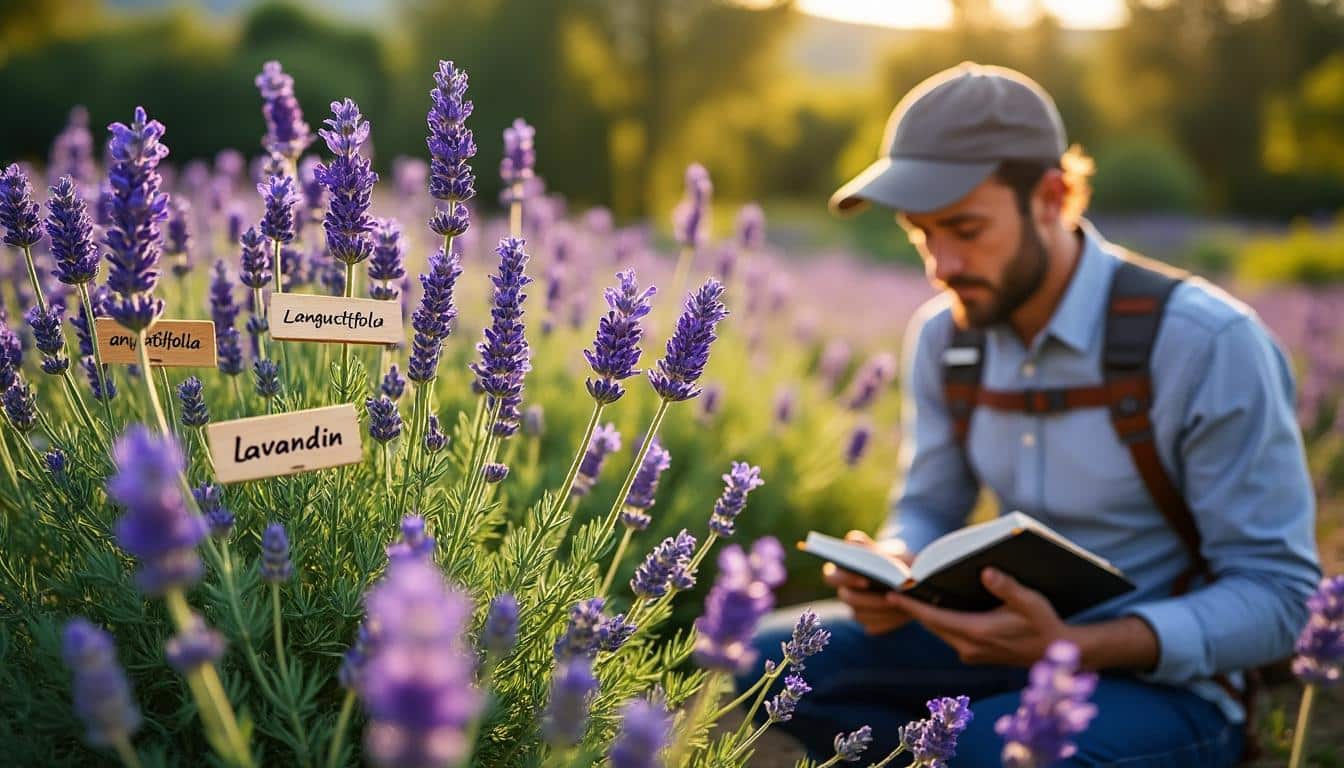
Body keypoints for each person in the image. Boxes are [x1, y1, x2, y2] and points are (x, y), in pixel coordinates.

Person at [740, 62, 1321, 766]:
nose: (940, 264)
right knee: (754, 663)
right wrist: (892, 565)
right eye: (920, 233)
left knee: (994, 748)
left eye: (964, 228)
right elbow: (926, 506)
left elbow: (1282, 598)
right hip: (992, 645)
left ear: (1052, 197)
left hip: (1167, 681)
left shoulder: (1206, 343)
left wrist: (1079, 645)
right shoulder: (943, 336)